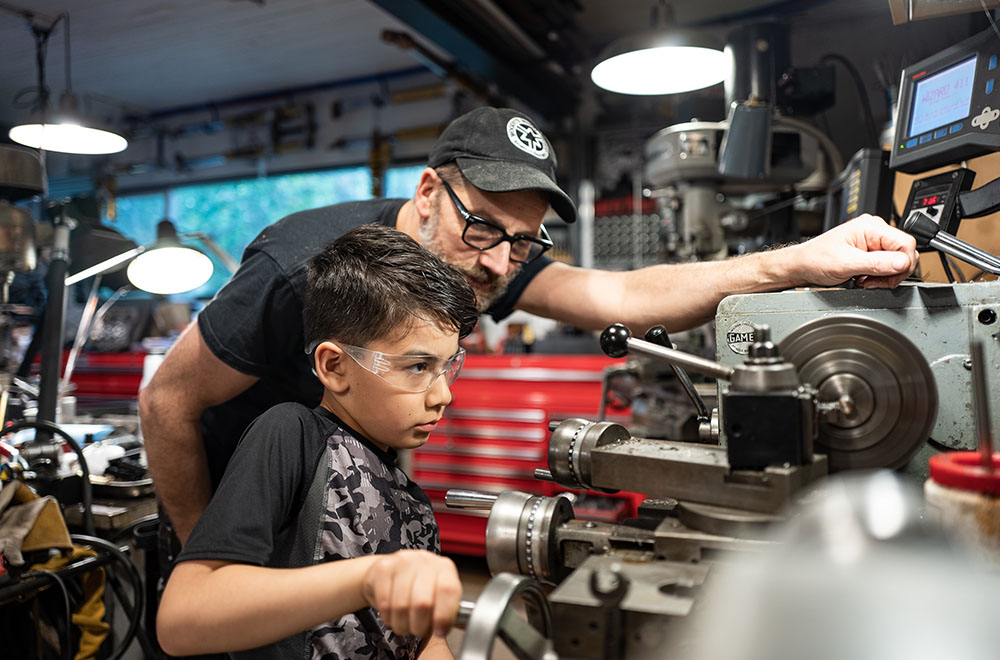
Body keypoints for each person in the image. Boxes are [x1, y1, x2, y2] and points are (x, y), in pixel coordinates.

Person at [139, 106, 919, 549]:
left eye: (525, 240)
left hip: (342, 504)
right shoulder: (299, 268)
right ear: (426, 193)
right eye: (483, 228)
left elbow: (625, 294)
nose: (500, 263)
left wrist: (800, 262)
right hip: (235, 511)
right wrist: (206, 556)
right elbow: (166, 402)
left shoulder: (479, 260)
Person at [156, 224, 478, 659]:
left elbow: (429, 641)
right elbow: (182, 618)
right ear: (335, 366)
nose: (444, 395)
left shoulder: (414, 504)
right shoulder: (294, 437)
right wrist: (368, 579)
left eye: (447, 367)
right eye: (418, 366)